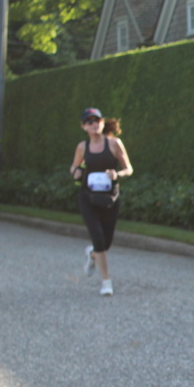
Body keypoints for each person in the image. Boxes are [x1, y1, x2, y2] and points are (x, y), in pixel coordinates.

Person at [69, 107, 132, 296]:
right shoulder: (83, 147)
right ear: (83, 127)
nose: (94, 124)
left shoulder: (114, 144)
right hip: (88, 197)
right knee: (97, 238)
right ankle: (106, 282)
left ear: (102, 123)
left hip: (109, 198)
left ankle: (92, 254)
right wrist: (76, 172)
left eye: (97, 121)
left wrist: (117, 174)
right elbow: (74, 166)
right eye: (89, 122)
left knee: (105, 243)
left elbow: (128, 168)